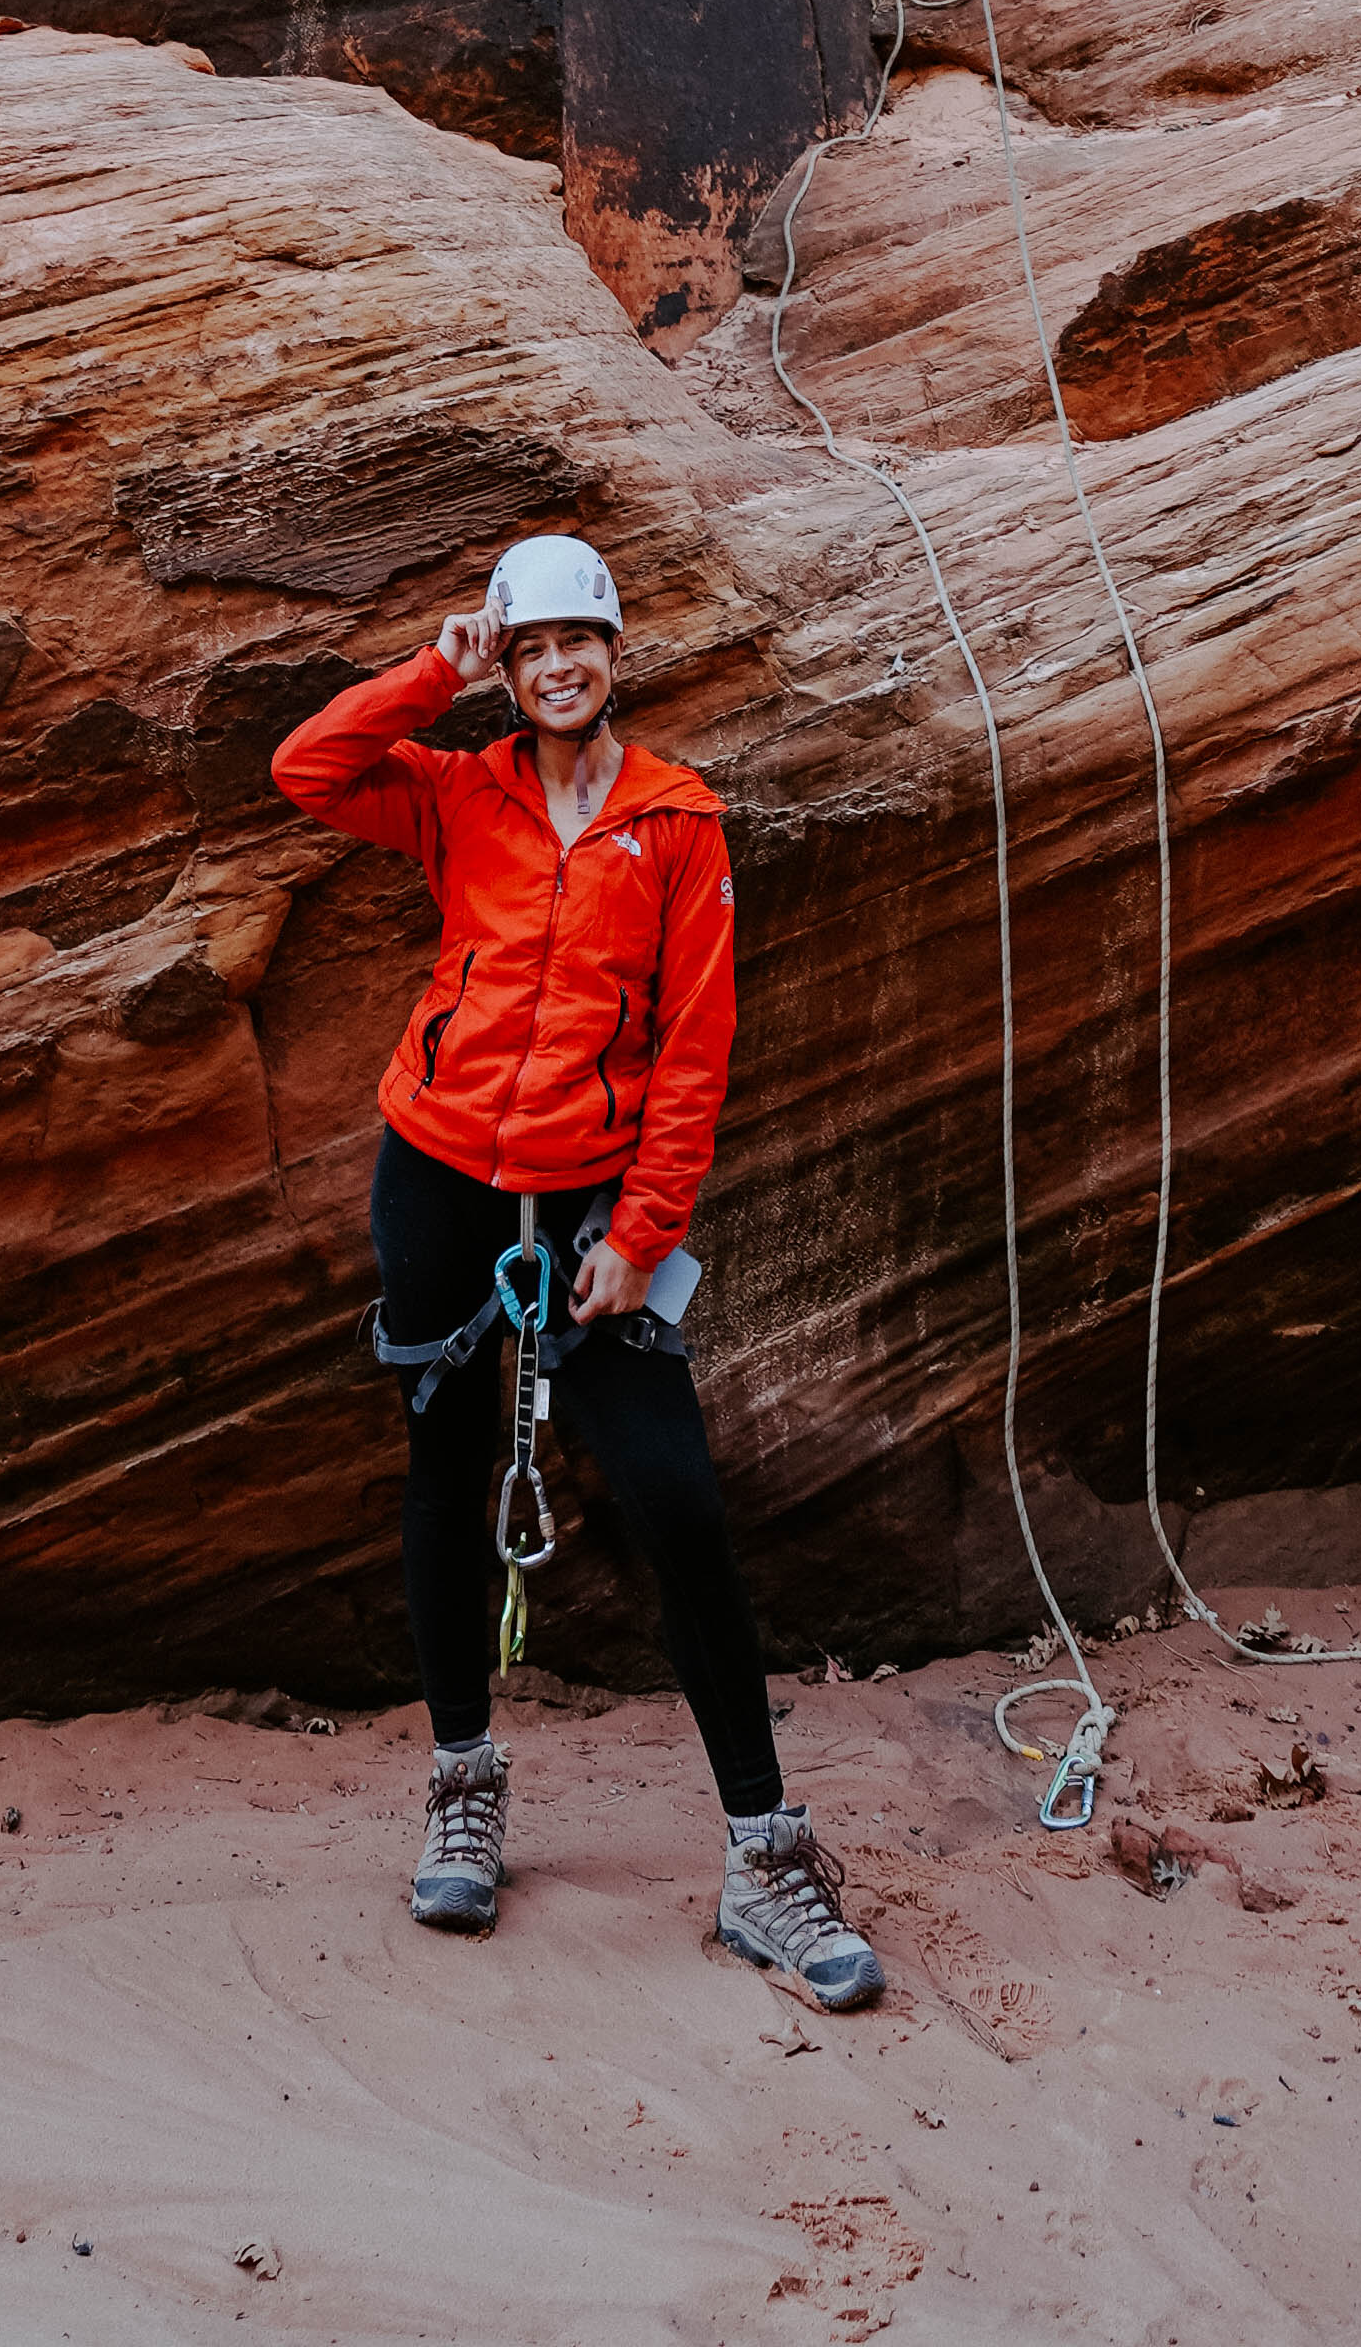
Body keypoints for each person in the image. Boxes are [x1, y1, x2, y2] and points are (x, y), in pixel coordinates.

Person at [272, 533, 884, 2008]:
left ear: (617, 657)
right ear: (510, 653)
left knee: (672, 1496)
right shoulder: (459, 789)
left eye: (580, 643)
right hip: (437, 1175)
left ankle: (763, 1854)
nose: (558, 666)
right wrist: (436, 670)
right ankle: (464, 1784)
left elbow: (696, 1047)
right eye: (531, 642)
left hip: (594, 1208)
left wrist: (642, 1235)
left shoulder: (677, 822)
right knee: (441, 1470)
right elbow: (305, 770)